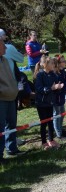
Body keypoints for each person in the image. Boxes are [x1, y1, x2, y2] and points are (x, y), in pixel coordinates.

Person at [0, 29, 24, 163]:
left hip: (11, 96)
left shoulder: (4, 60)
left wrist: (14, 88)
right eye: (3, 44)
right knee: (0, 127)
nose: (5, 47)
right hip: (2, 98)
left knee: (11, 124)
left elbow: (11, 76)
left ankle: (12, 148)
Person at [35, 56, 63, 150]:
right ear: (45, 65)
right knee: (44, 123)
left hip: (50, 102)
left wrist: (59, 87)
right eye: (51, 63)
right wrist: (50, 88)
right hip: (41, 103)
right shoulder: (40, 75)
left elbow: (55, 86)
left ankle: (51, 140)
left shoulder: (52, 74)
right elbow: (39, 89)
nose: (53, 65)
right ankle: (43, 142)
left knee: (50, 121)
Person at [53, 55, 66, 139]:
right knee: (57, 115)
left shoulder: (63, 71)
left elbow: (64, 82)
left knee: (62, 113)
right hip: (56, 98)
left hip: (62, 96)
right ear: (58, 63)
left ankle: (60, 129)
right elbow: (61, 85)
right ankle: (59, 134)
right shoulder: (56, 74)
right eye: (63, 61)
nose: (65, 63)